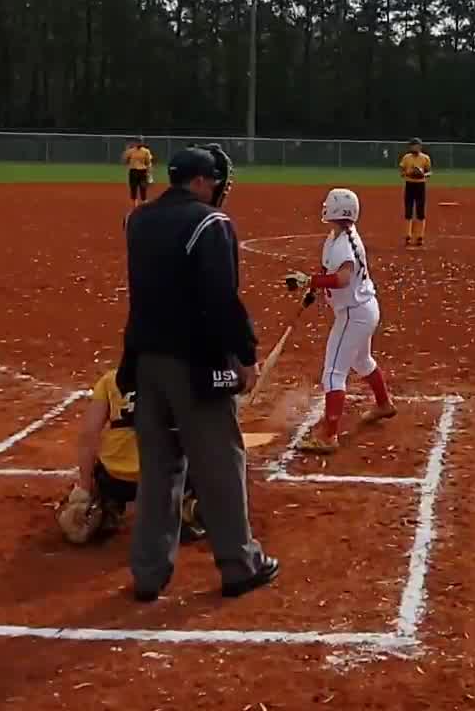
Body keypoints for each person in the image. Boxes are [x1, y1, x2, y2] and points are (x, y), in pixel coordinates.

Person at [118, 143, 277, 602]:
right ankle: (239, 564)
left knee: (159, 468)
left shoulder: (139, 220)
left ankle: (149, 573)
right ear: (203, 182)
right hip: (196, 363)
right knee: (220, 464)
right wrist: (244, 355)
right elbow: (221, 300)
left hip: (146, 360)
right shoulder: (211, 223)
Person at [285, 188, 398, 454]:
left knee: (333, 373)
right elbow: (329, 272)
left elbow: (342, 279)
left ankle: (329, 436)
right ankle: (384, 404)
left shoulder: (344, 245)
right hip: (363, 309)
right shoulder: (337, 237)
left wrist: (308, 280)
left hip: (353, 314)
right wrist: (314, 289)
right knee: (362, 361)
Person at [55, 367, 206, 546]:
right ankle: (187, 510)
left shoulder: (111, 379)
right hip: (163, 478)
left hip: (117, 479)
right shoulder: (182, 377)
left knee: (102, 476)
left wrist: (85, 488)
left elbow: (89, 435)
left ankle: (106, 507)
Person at [400, 138, 432, 248]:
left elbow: (429, 172)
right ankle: (407, 235)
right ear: (410, 147)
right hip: (409, 185)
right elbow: (402, 172)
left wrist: (422, 174)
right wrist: (410, 173)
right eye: (414, 146)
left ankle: (420, 236)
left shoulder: (425, 158)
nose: (416, 147)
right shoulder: (406, 158)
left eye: (418, 145)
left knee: (420, 211)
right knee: (408, 210)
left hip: (420, 185)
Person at [122, 137, 155, 208]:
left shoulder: (146, 151)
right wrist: (126, 152)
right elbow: (125, 161)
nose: (139, 143)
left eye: (140, 142)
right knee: (133, 187)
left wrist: (149, 174)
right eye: (138, 142)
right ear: (135, 143)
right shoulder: (130, 151)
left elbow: (148, 163)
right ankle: (135, 204)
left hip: (142, 171)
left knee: (143, 187)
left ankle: (144, 202)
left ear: (142, 143)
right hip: (133, 171)